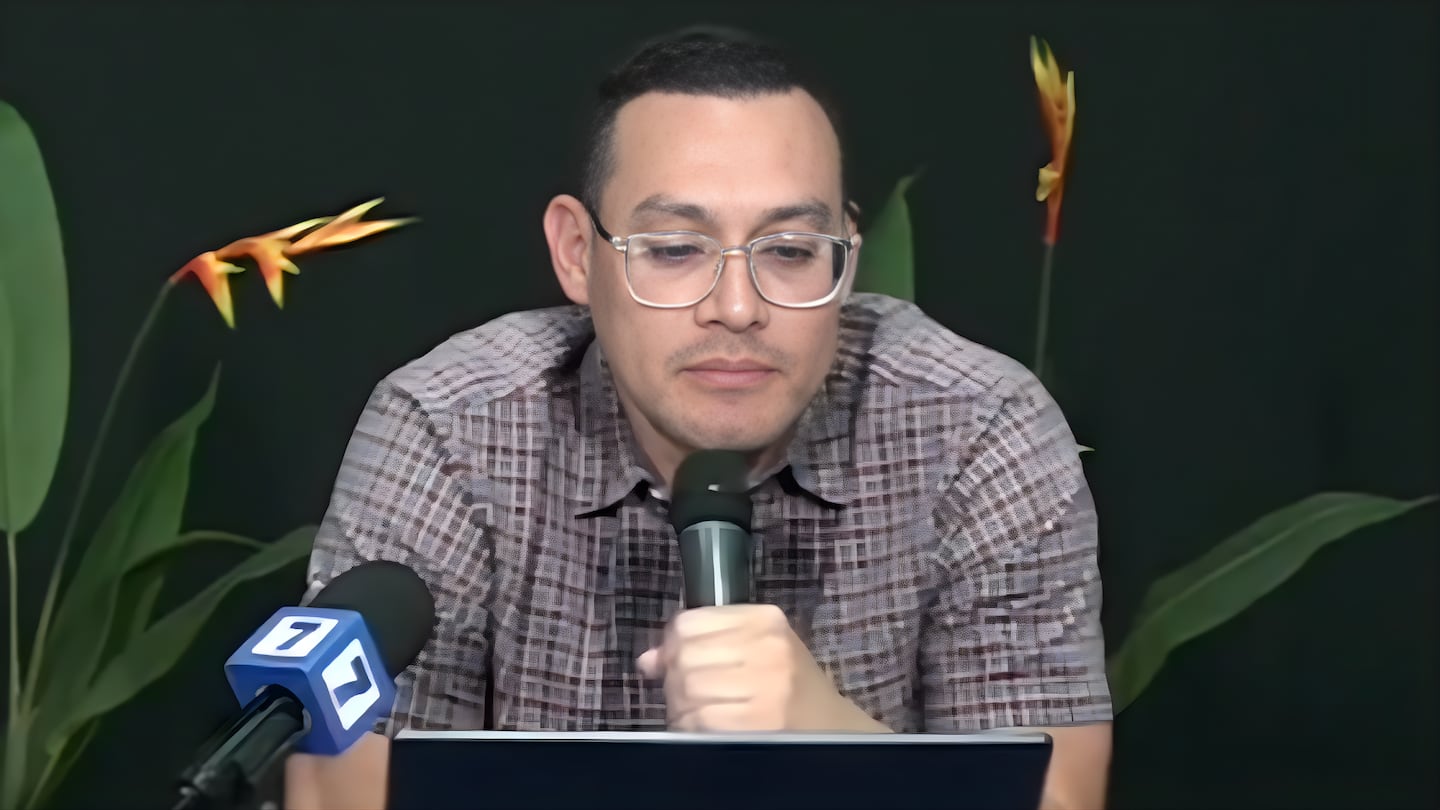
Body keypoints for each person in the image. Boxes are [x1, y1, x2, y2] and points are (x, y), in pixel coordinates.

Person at [285, 26, 1112, 810]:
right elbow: (339, 794)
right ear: (577, 253)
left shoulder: (977, 432)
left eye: (789, 251)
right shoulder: (451, 430)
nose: (737, 307)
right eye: (676, 250)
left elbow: (1060, 801)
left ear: (846, 262)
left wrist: (833, 740)